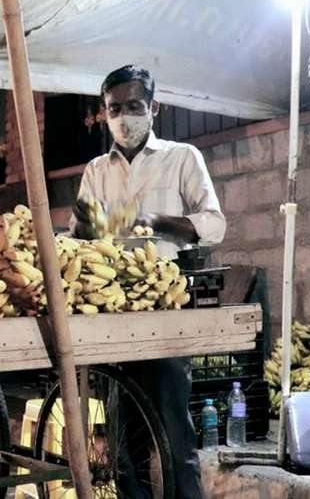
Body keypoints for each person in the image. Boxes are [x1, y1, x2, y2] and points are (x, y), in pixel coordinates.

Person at [71, 65, 225, 499]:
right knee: (122, 443)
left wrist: (156, 222)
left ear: (154, 108)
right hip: (111, 308)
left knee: (175, 435)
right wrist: (88, 229)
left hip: (166, 307)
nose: (123, 117)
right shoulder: (97, 170)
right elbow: (80, 235)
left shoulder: (182, 157)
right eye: (114, 109)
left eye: (133, 106)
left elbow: (214, 223)